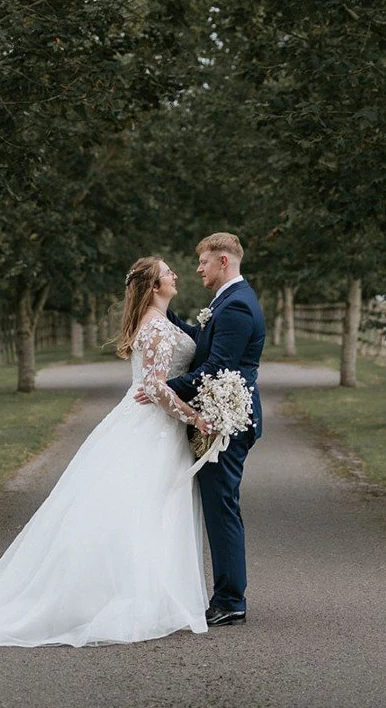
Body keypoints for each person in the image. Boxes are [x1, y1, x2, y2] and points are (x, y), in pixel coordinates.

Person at [0, 256, 213, 647]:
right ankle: (124, 596)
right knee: (140, 506)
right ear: (154, 286)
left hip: (154, 429)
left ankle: (153, 592)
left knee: (151, 508)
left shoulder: (162, 323)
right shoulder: (155, 329)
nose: (175, 275)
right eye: (168, 272)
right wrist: (195, 418)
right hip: (150, 428)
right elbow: (153, 387)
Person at [136, 231, 265, 627]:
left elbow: (214, 369)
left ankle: (231, 600)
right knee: (216, 503)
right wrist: (163, 314)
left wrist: (160, 389)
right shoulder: (226, 302)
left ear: (223, 261)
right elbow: (202, 343)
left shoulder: (238, 306)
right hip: (217, 414)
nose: (198, 269)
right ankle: (226, 594)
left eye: (204, 262)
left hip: (228, 420)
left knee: (221, 505)